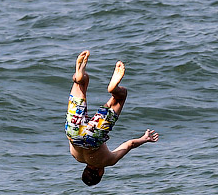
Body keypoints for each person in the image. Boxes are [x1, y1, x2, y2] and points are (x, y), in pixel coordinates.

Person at [64, 51, 158, 186]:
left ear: (100, 173)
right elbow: (84, 131)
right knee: (81, 83)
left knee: (120, 97)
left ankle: (114, 90)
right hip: (73, 133)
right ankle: (78, 77)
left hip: (94, 138)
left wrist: (145, 139)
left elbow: (130, 144)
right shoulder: (76, 157)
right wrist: (101, 110)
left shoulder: (106, 161)